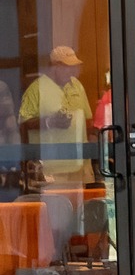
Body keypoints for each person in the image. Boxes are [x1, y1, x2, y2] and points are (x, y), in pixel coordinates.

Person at [21, 44, 89, 190]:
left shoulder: (77, 86)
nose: (72, 70)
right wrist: (49, 122)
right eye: (67, 66)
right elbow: (24, 125)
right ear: (54, 66)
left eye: (74, 66)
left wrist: (94, 156)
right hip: (53, 168)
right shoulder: (36, 89)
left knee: (83, 203)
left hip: (79, 165)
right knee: (57, 203)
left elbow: (87, 121)